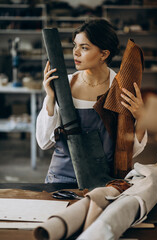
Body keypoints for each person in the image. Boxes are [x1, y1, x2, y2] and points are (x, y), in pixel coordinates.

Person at [36, 18, 147, 184]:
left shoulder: (120, 88)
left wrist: (141, 118)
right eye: (75, 45)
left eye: (84, 47)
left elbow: (131, 151)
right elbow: (44, 142)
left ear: (104, 54)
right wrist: (51, 98)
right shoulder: (63, 85)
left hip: (104, 181)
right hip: (60, 179)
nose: (75, 52)